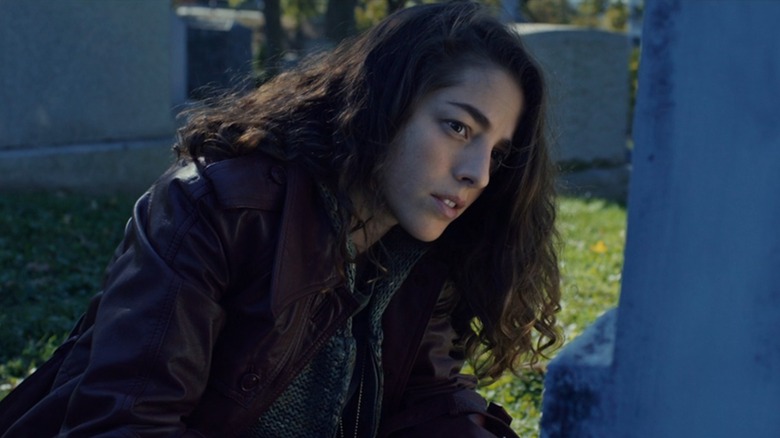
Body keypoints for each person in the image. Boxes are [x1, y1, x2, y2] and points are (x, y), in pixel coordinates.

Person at [0, 1, 561, 436]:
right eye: (458, 127)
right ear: (386, 104)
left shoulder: (418, 249)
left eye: (497, 151)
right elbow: (126, 423)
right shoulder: (214, 209)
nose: (478, 174)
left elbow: (432, 402)